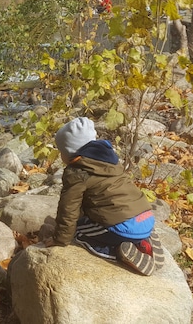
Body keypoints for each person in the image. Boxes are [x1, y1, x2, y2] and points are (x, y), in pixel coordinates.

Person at [46, 117, 165, 276]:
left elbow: (69, 209)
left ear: (70, 152)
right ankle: (143, 241)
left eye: (61, 152)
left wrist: (60, 239)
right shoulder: (110, 160)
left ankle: (118, 251)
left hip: (123, 227)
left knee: (79, 233)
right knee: (104, 220)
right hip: (145, 217)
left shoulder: (76, 172)